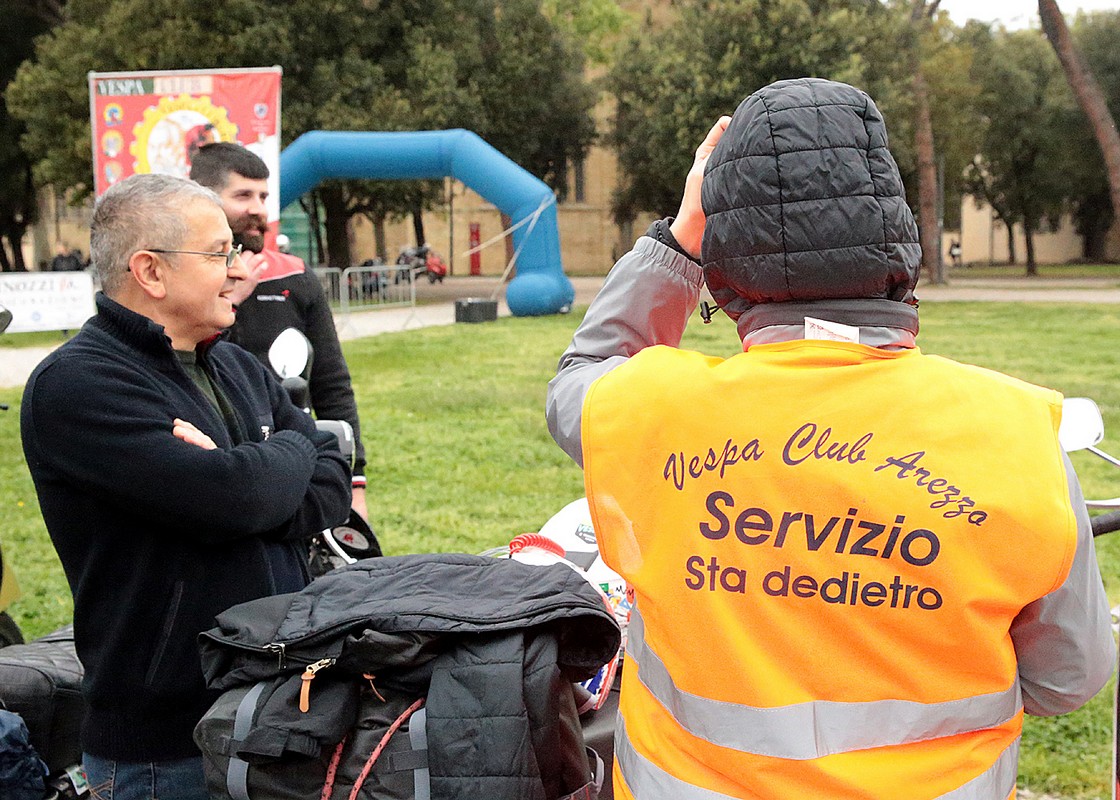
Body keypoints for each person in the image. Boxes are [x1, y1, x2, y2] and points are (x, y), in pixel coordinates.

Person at [546, 78, 1114, 799]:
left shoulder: (651, 415)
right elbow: (1069, 680)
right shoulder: (1019, 436)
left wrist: (680, 238)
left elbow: (585, 372)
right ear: (899, 255)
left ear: (722, 275)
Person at [20, 173, 352, 800]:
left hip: (281, 710)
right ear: (150, 271)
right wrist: (272, 464)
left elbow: (326, 476)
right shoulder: (77, 385)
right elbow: (239, 496)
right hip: (168, 746)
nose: (237, 269)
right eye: (218, 253)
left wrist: (246, 471)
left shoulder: (236, 364)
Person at [189, 142, 369, 518]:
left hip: (292, 458)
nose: (258, 208)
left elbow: (332, 382)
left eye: (264, 196)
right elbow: (181, 363)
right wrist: (229, 300)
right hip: (213, 469)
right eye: (243, 195)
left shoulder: (294, 273)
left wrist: (355, 483)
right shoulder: (182, 280)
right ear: (203, 199)